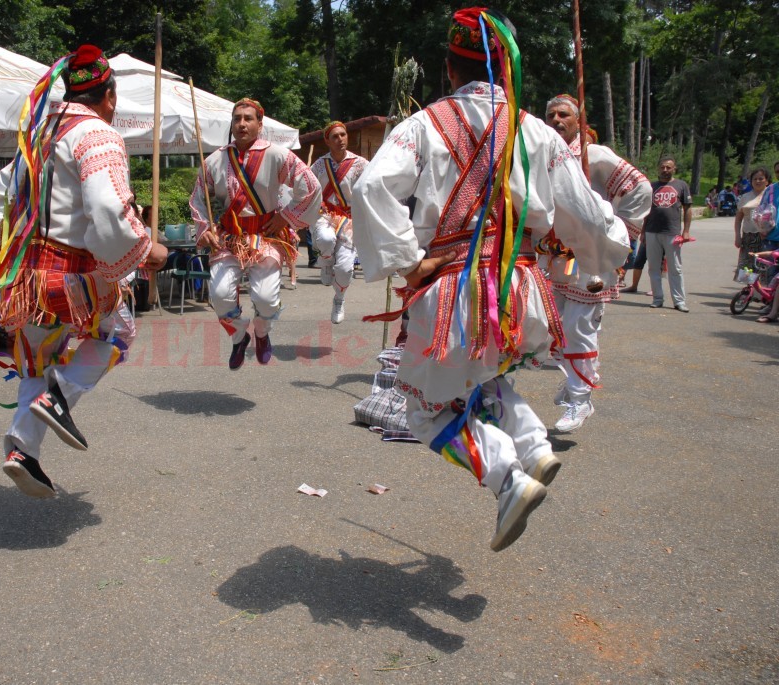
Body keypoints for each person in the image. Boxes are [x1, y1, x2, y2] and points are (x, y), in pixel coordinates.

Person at [351, 9, 629, 551]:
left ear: (449, 70)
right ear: (505, 70)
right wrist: (607, 257)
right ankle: (531, 440)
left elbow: (370, 188)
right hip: (521, 292)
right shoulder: (535, 130)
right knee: (476, 376)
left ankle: (507, 478)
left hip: (454, 292)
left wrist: (407, 262)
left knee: (424, 409)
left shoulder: (424, 125)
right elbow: (587, 214)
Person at [0, 45, 167, 497]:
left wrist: (11, 253)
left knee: (37, 361)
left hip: (27, 279)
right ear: (110, 96)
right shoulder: (97, 134)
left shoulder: (39, 135)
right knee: (117, 333)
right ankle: (60, 396)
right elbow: (107, 209)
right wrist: (143, 250)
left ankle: (22, 451)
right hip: (73, 279)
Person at [543, 94, 652, 432]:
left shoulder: (595, 155)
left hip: (589, 261)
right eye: (551, 115)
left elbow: (640, 189)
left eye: (564, 114)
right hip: (555, 257)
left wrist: (618, 235)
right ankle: (576, 379)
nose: (557, 120)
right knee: (549, 326)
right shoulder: (544, 153)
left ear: (579, 122)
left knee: (579, 327)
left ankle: (580, 398)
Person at [189, 98, 320, 369]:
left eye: (248, 118)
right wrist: (204, 228)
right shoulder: (215, 159)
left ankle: (261, 332)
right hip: (229, 237)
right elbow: (198, 198)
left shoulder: (277, 155)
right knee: (220, 294)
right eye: (237, 119)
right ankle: (239, 336)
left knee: (266, 298)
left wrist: (286, 217)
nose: (241, 124)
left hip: (266, 235)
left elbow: (310, 185)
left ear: (260, 124)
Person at [309, 121, 368, 324]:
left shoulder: (360, 163)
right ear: (327, 140)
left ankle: (339, 298)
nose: (340, 139)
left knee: (345, 269)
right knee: (325, 238)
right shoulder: (318, 165)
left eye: (343, 135)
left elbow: (371, 186)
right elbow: (306, 188)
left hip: (350, 220)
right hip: (325, 215)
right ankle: (325, 261)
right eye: (335, 136)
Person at [644, 156, 692, 311]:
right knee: (653, 267)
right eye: (662, 167)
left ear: (674, 168)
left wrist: (686, 231)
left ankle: (679, 301)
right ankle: (657, 298)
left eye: (668, 167)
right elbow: (646, 210)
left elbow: (687, 208)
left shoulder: (681, 185)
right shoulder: (651, 186)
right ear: (659, 168)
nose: (665, 170)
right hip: (652, 231)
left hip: (672, 232)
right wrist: (643, 231)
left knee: (675, 267)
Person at [734, 168, 771, 275]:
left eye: (761, 178)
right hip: (748, 237)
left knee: (765, 269)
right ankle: (749, 290)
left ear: (767, 181)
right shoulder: (745, 197)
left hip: (767, 238)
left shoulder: (771, 196)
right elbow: (738, 219)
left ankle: (762, 291)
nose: (758, 181)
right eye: (755, 179)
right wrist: (737, 236)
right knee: (747, 271)